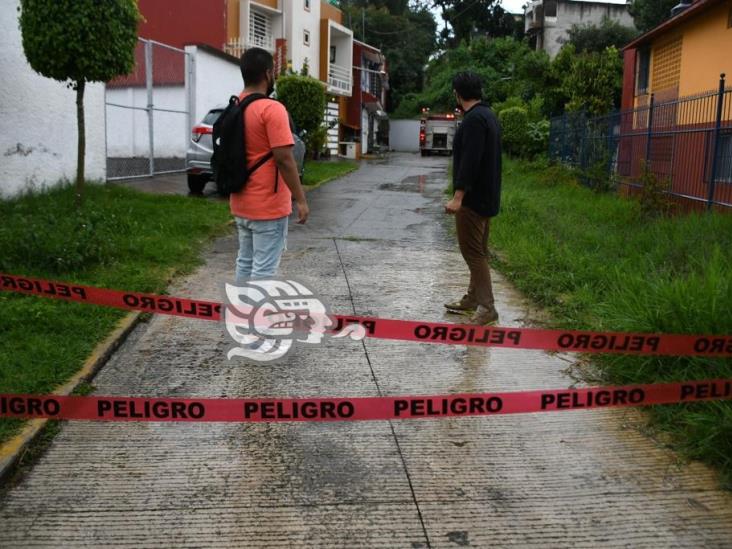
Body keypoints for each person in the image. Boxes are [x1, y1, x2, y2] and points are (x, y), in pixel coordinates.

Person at [231, 48, 309, 282]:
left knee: (245, 263)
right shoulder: (271, 109)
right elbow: (284, 159)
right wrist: (301, 199)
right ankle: (256, 319)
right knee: (264, 271)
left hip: (241, 202)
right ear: (267, 74)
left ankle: (242, 316)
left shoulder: (235, 106)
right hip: (268, 206)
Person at [444, 71, 502, 325]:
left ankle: (487, 308)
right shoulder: (487, 115)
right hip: (488, 196)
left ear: (457, 93)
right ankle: (472, 298)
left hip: (473, 200)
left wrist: (458, 197)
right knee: (478, 250)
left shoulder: (474, 121)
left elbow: (470, 161)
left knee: (473, 252)